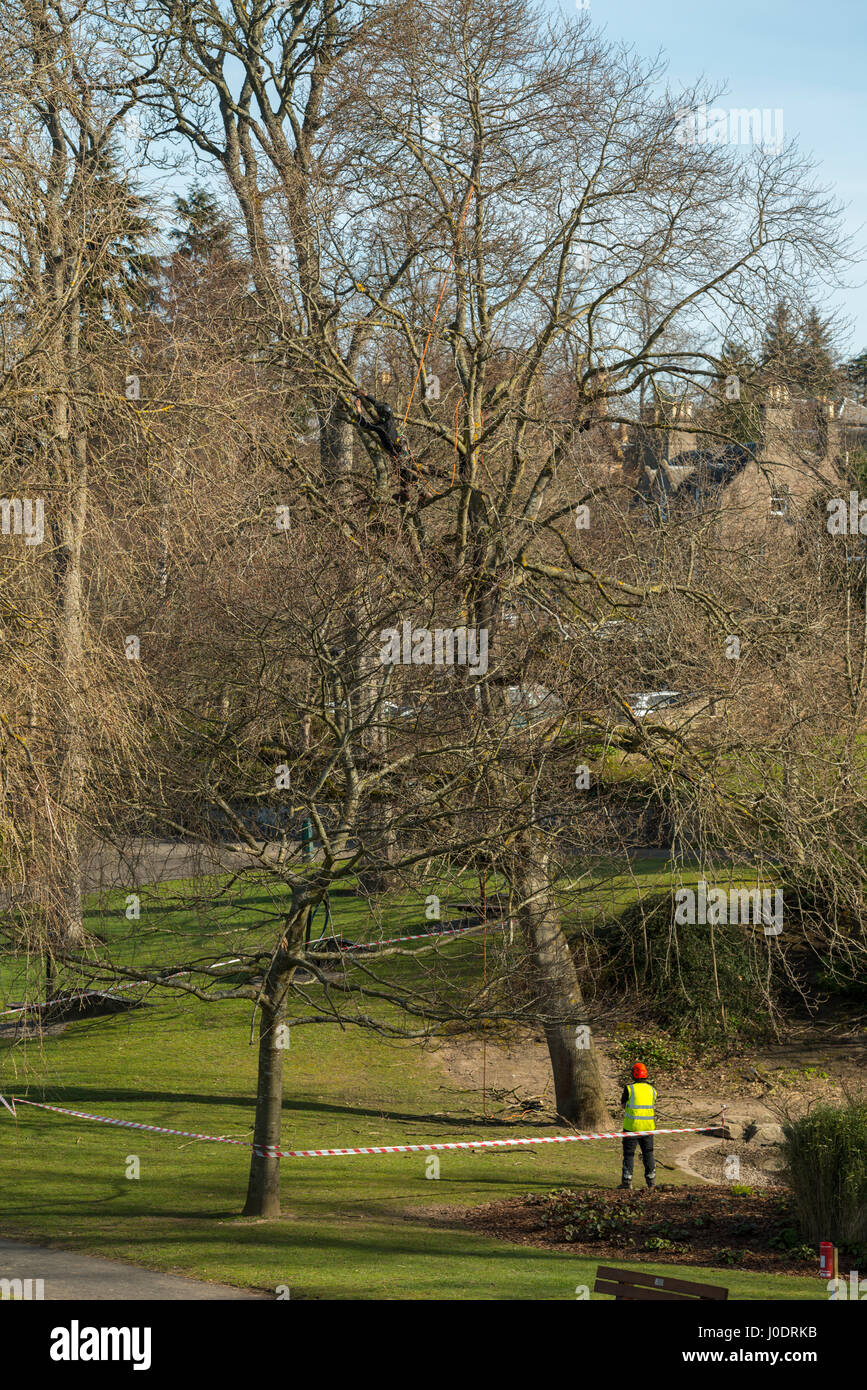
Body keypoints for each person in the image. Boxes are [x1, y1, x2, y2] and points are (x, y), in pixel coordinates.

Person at [619, 1061, 657, 1190]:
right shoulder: (652, 1090)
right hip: (648, 1128)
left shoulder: (629, 1089)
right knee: (648, 1153)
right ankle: (651, 1182)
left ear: (633, 1075)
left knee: (629, 1154)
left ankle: (627, 1182)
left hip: (632, 1127)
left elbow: (623, 1105)